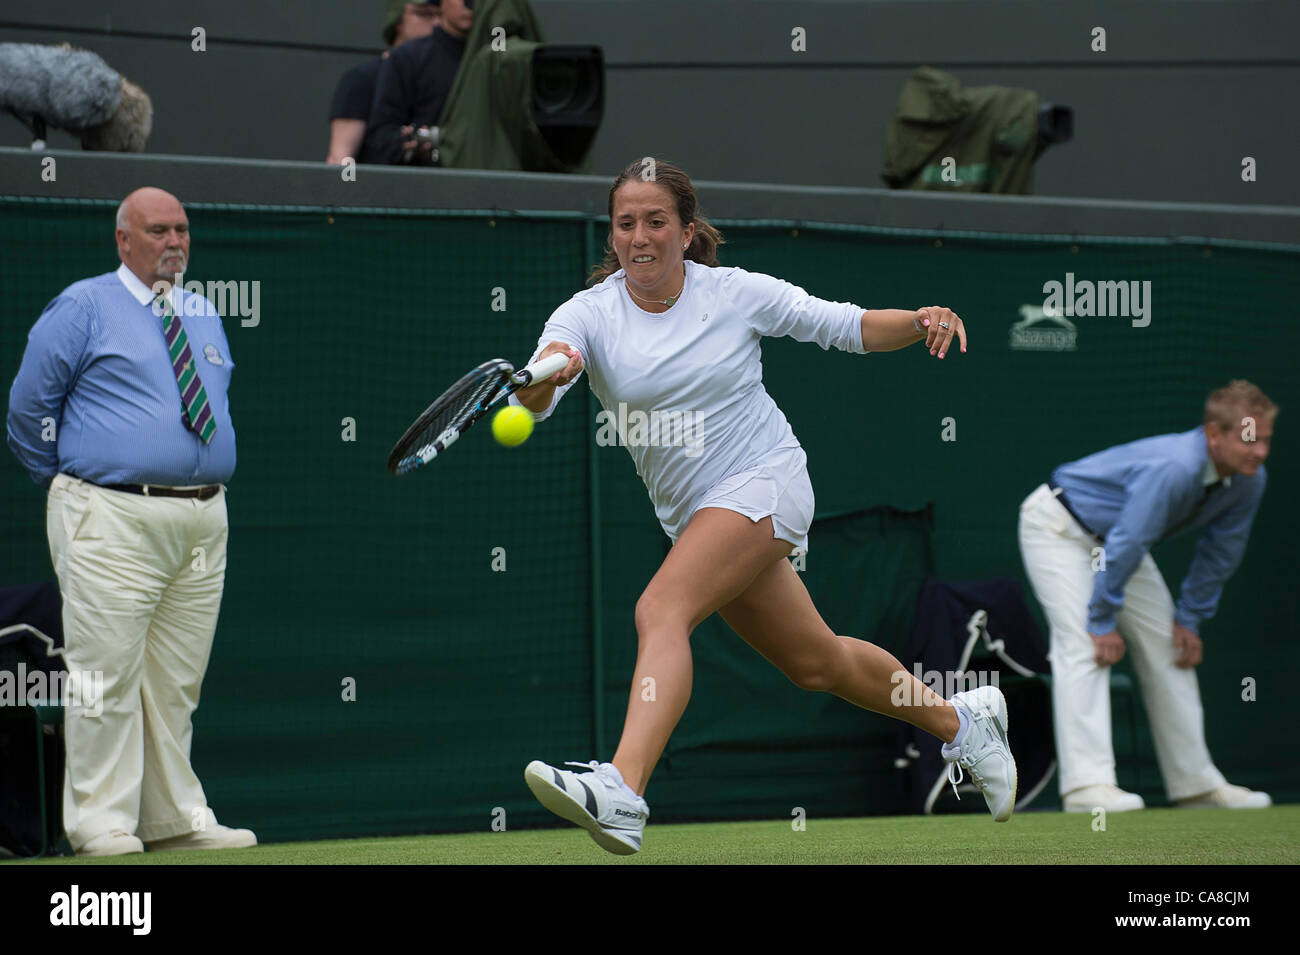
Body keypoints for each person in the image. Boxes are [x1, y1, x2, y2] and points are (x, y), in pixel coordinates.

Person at [514, 158, 1017, 855]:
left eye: (655, 220)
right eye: (625, 222)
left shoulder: (735, 293)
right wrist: (547, 375)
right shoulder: (587, 314)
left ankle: (624, 788)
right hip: (697, 516)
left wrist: (921, 319)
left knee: (661, 610)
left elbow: (844, 325)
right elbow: (538, 394)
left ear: (686, 232)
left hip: (765, 480)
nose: (638, 236)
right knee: (818, 663)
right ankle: (963, 724)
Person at [6, 187, 255, 856]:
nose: (174, 241)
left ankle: (174, 815)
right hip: (108, 512)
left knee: (175, 679)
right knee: (105, 671)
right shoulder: (84, 305)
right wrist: (75, 482)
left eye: (181, 228)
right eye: (157, 230)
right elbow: (29, 409)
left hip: (202, 517)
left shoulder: (202, 310)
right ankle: (98, 820)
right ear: (123, 239)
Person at [1018, 381, 1276, 813]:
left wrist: (1190, 618)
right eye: (1249, 439)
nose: (1259, 451)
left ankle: (1196, 785)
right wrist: (1101, 619)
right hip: (1059, 526)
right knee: (1084, 645)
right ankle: (1088, 788)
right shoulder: (1175, 468)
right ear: (1214, 434)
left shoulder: (1250, 480)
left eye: (1266, 439)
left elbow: (1221, 551)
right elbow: (1129, 541)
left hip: (1118, 545)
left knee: (1170, 645)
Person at [325, 1, 441, 165]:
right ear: (398, 20)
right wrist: (347, 188)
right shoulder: (363, 78)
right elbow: (341, 157)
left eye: (440, 15)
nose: (436, 23)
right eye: (424, 14)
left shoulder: (442, 78)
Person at [360, 0, 474, 165]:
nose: (469, 4)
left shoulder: (502, 59)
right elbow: (381, 134)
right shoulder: (407, 58)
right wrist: (409, 143)